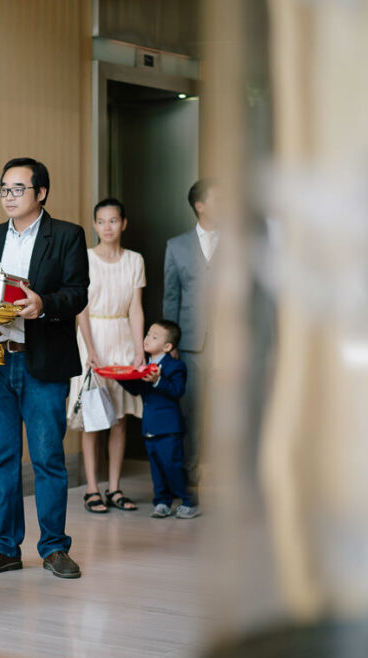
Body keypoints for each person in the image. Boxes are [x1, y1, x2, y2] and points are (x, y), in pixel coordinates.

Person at [0, 157, 89, 580]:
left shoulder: (66, 235)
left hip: (43, 361)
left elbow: (77, 293)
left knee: (47, 458)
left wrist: (43, 303)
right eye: (4, 189)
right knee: (2, 458)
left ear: (40, 192)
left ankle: (54, 548)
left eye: (18, 189)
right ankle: (4, 547)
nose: (9, 196)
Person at [70, 198, 145, 513]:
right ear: (95, 225)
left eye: (113, 221)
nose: (107, 227)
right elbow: (81, 308)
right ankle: (92, 488)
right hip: (92, 339)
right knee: (92, 417)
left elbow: (136, 308)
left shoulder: (135, 260)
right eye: (101, 221)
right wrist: (90, 350)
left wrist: (140, 349)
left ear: (123, 223)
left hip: (122, 336)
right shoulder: (84, 258)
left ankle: (114, 487)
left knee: (119, 418)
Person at [163, 179, 219, 486]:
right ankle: (188, 476)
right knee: (191, 412)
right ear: (199, 205)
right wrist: (171, 343)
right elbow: (172, 297)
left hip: (231, 342)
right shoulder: (176, 246)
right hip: (191, 343)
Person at [115, 320, 200, 519]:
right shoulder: (145, 365)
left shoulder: (175, 366)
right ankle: (162, 501)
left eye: (154, 337)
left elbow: (177, 391)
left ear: (167, 346)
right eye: (147, 334)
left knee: (173, 466)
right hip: (150, 427)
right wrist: (121, 375)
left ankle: (189, 500)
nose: (147, 338)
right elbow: (137, 390)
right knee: (157, 468)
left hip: (169, 429)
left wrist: (158, 381)